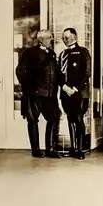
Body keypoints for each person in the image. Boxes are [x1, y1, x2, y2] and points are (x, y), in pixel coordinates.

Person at [16, 29, 62, 158]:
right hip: (35, 94)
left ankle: (51, 150)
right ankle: (36, 150)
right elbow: (20, 71)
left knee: (54, 118)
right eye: (49, 38)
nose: (51, 40)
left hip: (50, 94)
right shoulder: (30, 53)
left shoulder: (52, 53)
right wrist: (28, 87)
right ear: (41, 39)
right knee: (33, 120)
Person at [58, 28, 91, 160]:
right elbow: (59, 74)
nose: (65, 40)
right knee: (70, 119)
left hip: (79, 93)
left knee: (78, 119)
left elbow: (87, 73)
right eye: (63, 37)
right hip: (66, 93)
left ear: (75, 37)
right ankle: (73, 148)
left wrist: (75, 88)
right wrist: (64, 87)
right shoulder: (62, 54)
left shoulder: (83, 52)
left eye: (68, 37)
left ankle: (80, 149)